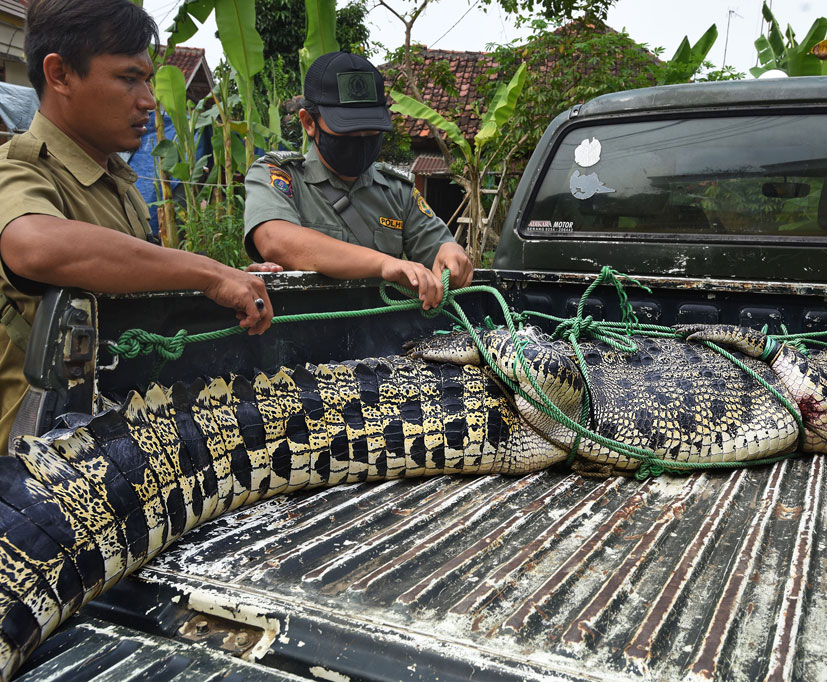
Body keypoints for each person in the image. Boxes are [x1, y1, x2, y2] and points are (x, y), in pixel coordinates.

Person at [0, 0, 280, 453]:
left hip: (119, 441)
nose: (149, 99)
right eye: (129, 78)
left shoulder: (120, 184)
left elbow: (139, 282)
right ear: (60, 75)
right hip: (38, 463)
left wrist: (234, 282)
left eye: (147, 80)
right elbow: (35, 245)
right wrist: (209, 273)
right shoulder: (16, 171)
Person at [243, 51, 473, 310]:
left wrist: (451, 255)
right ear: (309, 122)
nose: (362, 138)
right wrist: (384, 264)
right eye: (348, 128)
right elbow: (275, 239)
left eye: (371, 128)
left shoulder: (398, 191)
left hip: (382, 332)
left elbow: (439, 250)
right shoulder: (280, 176)